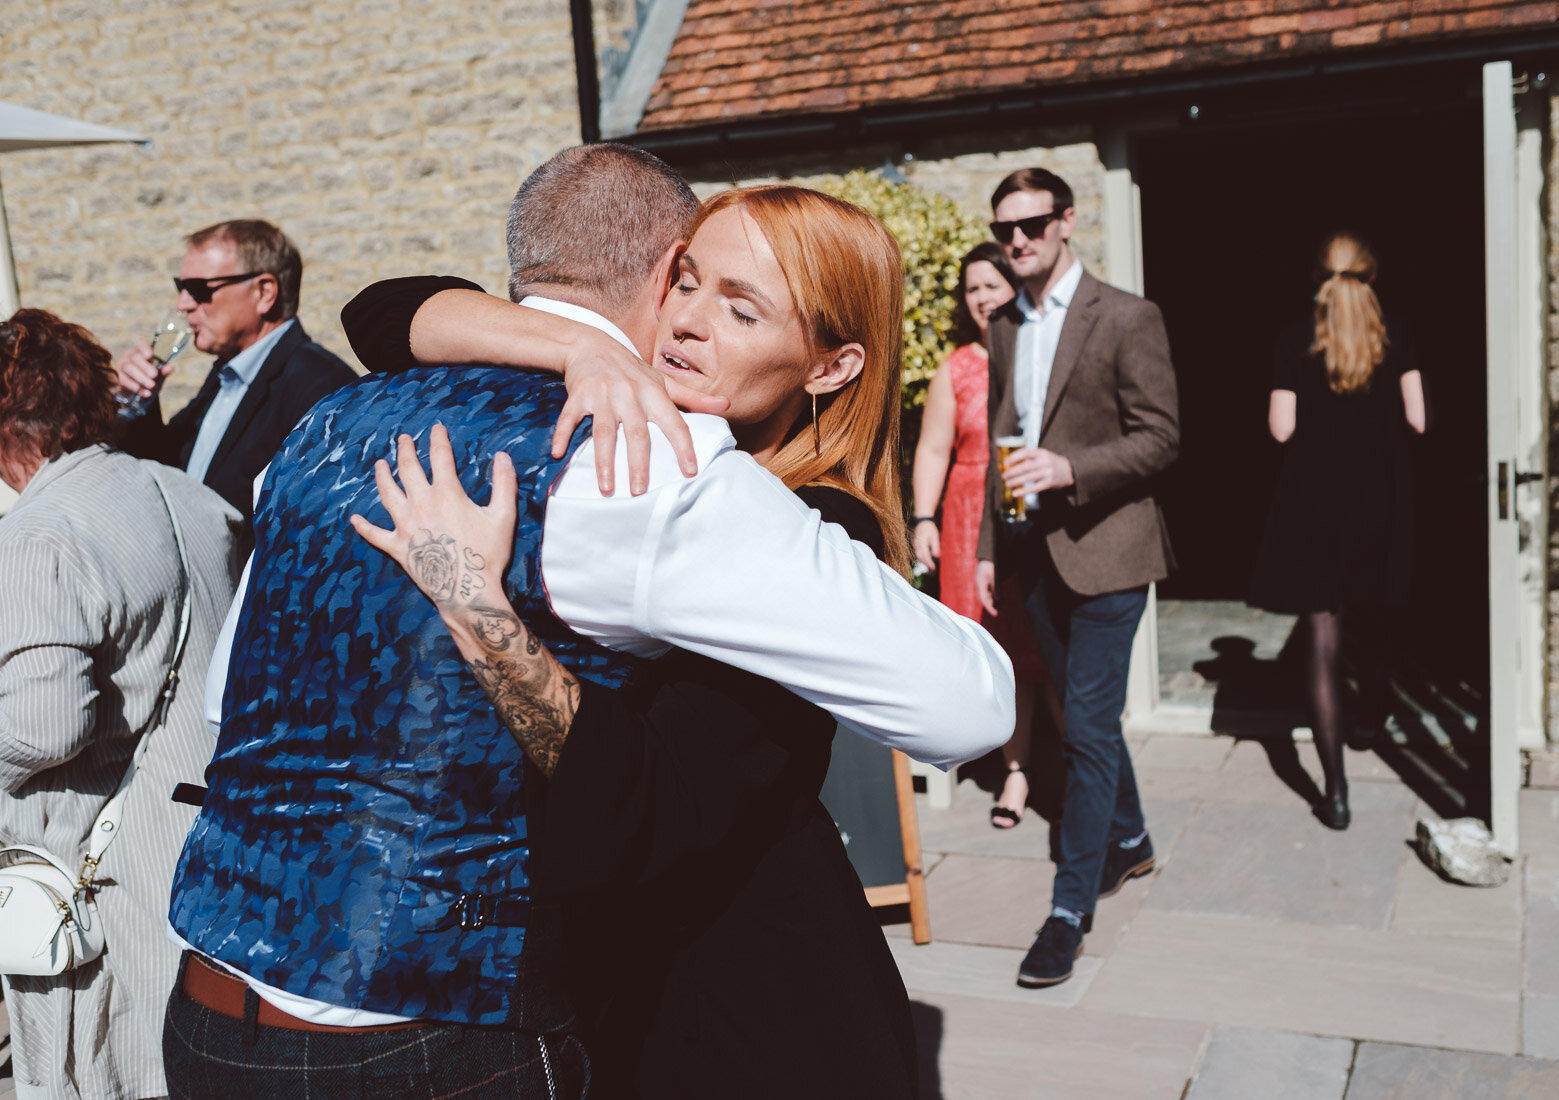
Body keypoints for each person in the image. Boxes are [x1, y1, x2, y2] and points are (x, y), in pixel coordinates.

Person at [164, 146, 1012, 1098]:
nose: (688, 323)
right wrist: (583, 346)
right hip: (483, 1009)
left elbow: (654, 809)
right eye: (688, 284)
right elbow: (385, 309)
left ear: (831, 366)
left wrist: (479, 607)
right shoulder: (627, 440)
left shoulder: (336, 431)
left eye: (740, 309)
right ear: (657, 276)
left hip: (733, 1004)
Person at [0, 309, 239, 1100]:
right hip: (215, 844)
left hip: (107, 877)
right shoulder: (187, 494)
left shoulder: (39, 532)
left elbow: (40, 725)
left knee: (115, 1071)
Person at [973, 167, 1180, 989]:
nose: (1017, 241)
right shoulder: (1004, 328)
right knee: (1078, 719)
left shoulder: (1128, 316)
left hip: (1113, 552)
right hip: (1033, 558)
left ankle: (1068, 914)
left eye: (1030, 225)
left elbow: (1163, 436)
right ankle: (1129, 841)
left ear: (1065, 223)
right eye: (1004, 230)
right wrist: (990, 546)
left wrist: (1071, 467)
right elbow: (999, 439)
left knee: (1087, 729)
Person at [1249, 233, 1425, 831]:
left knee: (1323, 640)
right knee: (1374, 617)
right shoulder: (1394, 332)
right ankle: (1370, 720)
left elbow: (1279, 429)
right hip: (1378, 503)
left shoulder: (1292, 338)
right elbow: (1418, 419)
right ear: (1370, 275)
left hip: (1315, 507)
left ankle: (1336, 791)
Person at [910, 241, 1048, 828]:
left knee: (1030, 642)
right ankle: (996, 762)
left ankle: (1036, 767)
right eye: (973, 289)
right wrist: (922, 518)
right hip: (967, 518)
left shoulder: (1041, 351)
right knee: (981, 646)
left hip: (1028, 515)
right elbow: (935, 448)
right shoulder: (958, 366)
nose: (982, 296)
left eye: (992, 284)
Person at [115, 219, 356, 529]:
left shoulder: (320, 385)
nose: (183, 303)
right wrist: (135, 401)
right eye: (181, 287)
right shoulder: (226, 375)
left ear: (264, 292)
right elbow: (169, 469)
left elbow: (319, 521)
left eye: (199, 289)